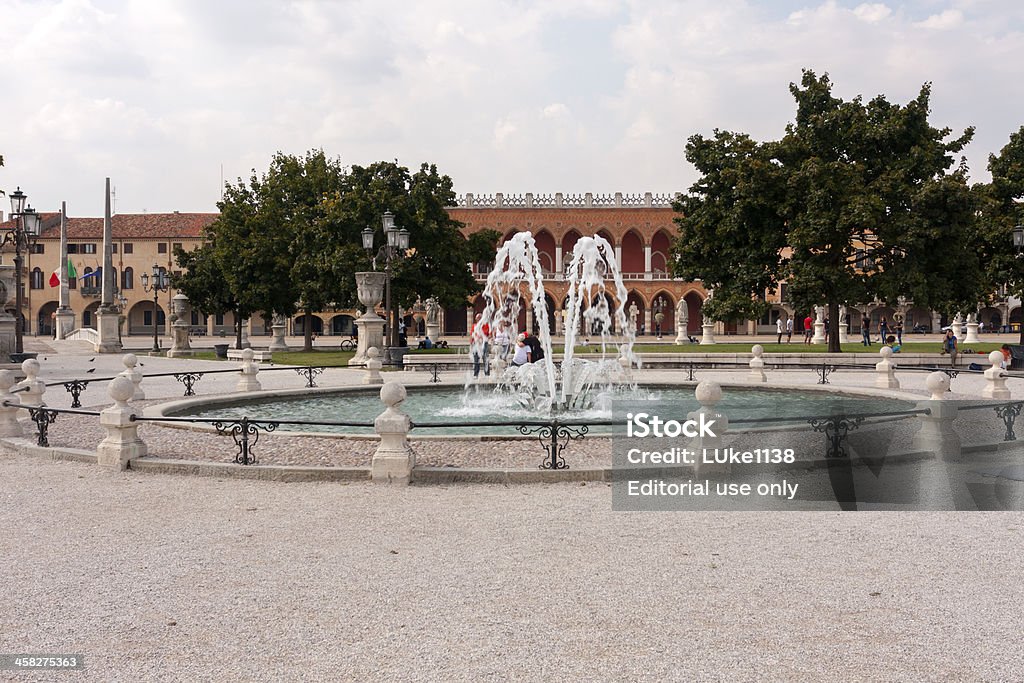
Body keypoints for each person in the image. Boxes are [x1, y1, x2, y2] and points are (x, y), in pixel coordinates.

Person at [470, 314, 491, 378]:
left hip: (484, 343)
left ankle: (487, 374)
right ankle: (476, 374)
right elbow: (472, 334)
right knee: (476, 359)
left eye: (479, 317)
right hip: (476, 344)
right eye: (477, 318)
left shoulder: (486, 325)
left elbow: (490, 334)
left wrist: (485, 338)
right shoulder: (474, 326)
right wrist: (471, 342)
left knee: (485, 359)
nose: (478, 319)